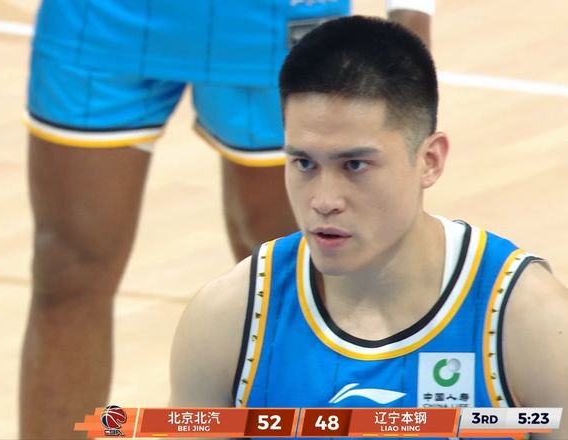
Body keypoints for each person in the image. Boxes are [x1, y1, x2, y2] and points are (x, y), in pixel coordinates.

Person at [0, 0, 434, 438]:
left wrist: (412, 9)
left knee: (301, 287)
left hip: (272, 19)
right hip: (100, 17)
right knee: (67, 270)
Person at [169, 15, 568, 439]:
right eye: (304, 163)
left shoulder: (532, 322)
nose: (324, 200)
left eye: (355, 165)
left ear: (429, 161)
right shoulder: (229, 317)